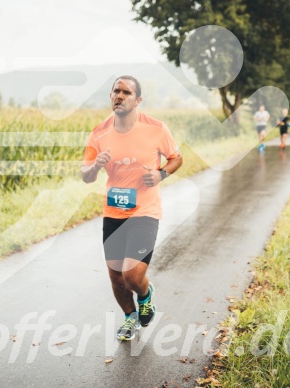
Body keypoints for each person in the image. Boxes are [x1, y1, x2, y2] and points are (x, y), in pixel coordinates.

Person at [81, 75, 183, 341]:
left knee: (132, 276)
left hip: (145, 212)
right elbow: (86, 175)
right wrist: (95, 166)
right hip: (113, 212)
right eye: (116, 91)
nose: (119, 95)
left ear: (138, 100)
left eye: (126, 92)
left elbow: (176, 157)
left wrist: (161, 174)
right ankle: (130, 317)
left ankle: (146, 295)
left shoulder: (156, 128)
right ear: (111, 96)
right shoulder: (99, 133)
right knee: (116, 276)